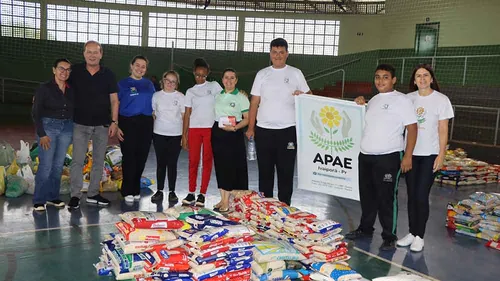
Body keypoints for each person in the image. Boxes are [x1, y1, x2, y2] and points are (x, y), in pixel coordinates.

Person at [346, 64, 418, 251]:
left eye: (385, 77)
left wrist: (408, 155)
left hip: (389, 156)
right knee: (367, 196)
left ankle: (389, 236)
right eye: (377, 77)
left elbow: (412, 128)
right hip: (366, 156)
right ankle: (365, 228)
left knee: (387, 198)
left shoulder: (402, 100)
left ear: (393, 80)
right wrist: (360, 103)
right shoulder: (374, 101)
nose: (380, 80)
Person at [246, 38, 311, 206]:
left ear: (287, 54)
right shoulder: (262, 74)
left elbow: (310, 98)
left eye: (281, 52)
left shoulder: (296, 73)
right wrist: (251, 128)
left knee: (286, 172)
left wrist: (302, 95)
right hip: (264, 131)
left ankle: (285, 208)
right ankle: (265, 208)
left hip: (288, 131)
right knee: (265, 172)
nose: (278, 55)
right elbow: (254, 102)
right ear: (270, 54)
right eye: (275, 52)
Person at [396, 64, 454, 252]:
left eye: (426, 75)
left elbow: (443, 129)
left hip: (429, 155)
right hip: (411, 154)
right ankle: (412, 233)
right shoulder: (407, 99)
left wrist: (441, 154)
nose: (422, 79)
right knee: (412, 196)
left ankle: (420, 236)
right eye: (418, 76)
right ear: (414, 80)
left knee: (421, 195)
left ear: (431, 79)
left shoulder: (441, 100)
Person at [68, 40, 118, 209]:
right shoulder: (74, 71)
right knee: (77, 160)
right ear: (84, 54)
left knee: (98, 161)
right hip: (79, 124)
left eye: (95, 52)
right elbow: (59, 82)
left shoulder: (109, 74)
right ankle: (74, 195)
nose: (92, 55)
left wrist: (114, 122)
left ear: (101, 54)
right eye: (89, 52)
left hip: (101, 125)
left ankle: (93, 194)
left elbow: (114, 100)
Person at [32, 58, 74, 211]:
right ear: (54, 70)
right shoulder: (44, 88)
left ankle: (52, 197)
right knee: (46, 165)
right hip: (48, 127)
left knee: (58, 165)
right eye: (61, 68)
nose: (64, 72)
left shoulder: (71, 89)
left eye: (68, 69)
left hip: (67, 128)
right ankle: (39, 199)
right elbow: (36, 112)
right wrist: (41, 133)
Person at [182, 58, 223, 207]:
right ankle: (191, 192)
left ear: (208, 74)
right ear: (194, 73)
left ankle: (202, 194)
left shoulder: (214, 86)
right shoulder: (190, 91)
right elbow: (187, 114)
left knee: (207, 161)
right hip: (194, 129)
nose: (200, 78)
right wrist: (184, 135)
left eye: (203, 75)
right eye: (198, 75)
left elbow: (225, 98)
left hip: (210, 128)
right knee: (193, 161)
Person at [116, 55, 155, 203]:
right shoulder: (122, 84)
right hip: (128, 122)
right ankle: (127, 189)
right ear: (131, 66)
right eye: (137, 65)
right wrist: (116, 123)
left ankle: (136, 188)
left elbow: (154, 104)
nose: (140, 68)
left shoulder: (149, 84)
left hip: (145, 123)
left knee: (142, 157)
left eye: (143, 66)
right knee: (129, 157)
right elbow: (115, 104)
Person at [211, 68, 250, 212]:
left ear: (236, 80)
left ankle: (228, 201)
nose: (229, 80)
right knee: (220, 166)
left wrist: (235, 128)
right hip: (217, 133)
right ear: (222, 80)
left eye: (232, 78)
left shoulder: (241, 97)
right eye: (226, 78)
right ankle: (222, 199)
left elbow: (247, 119)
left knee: (230, 167)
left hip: (233, 135)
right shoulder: (217, 96)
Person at [151, 71, 185, 203]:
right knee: (161, 163)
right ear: (163, 81)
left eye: (173, 81)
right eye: (168, 80)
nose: (170, 83)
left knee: (172, 164)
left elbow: (184, 117)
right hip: (159, 134)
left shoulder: (181, 97)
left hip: (176, 135)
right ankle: (159, 190)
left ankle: (172, 191)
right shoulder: (156, 96)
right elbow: (154, 114)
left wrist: (184, 135)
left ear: (177, 84)